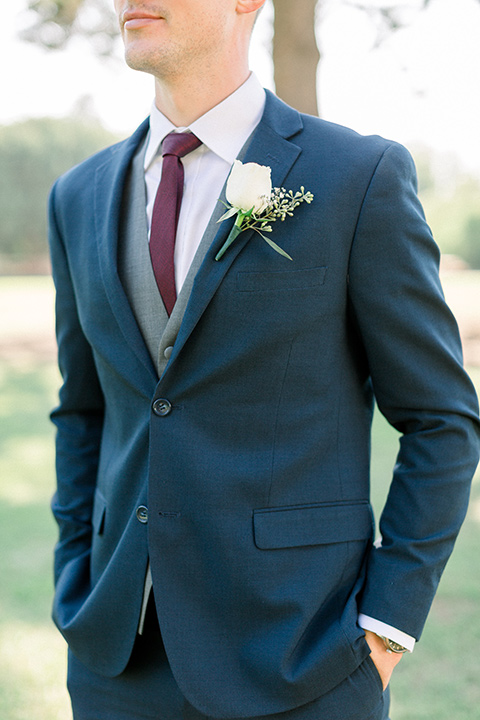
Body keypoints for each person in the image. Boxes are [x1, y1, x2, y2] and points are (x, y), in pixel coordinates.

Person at [48, 1, 480, 719]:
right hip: (115, 666)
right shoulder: (79, 196)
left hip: (304, 662)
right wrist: (75, 579)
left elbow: (441, 418)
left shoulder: (358, 177)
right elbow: (83, 411)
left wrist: (384, 631)